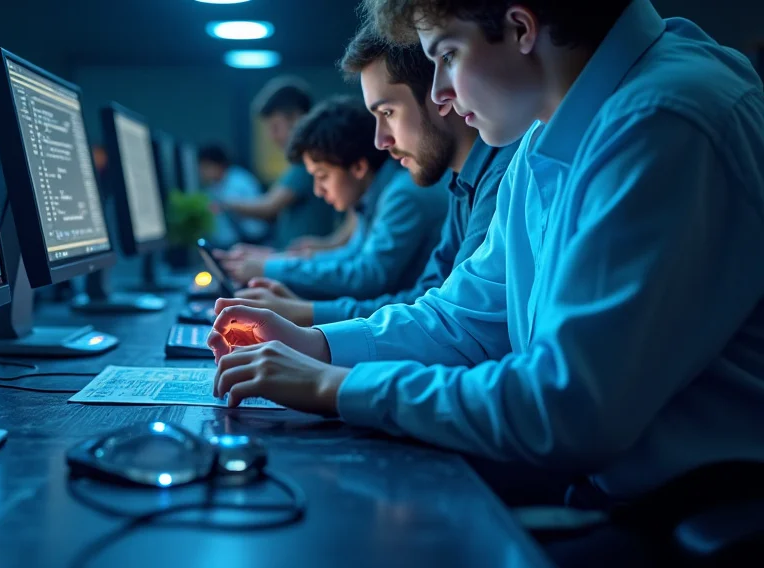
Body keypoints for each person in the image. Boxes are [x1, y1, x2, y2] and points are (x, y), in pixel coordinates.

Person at [209, 0, 764, 512]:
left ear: (522, 28)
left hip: (688, 512)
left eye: (448, 56)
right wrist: (317, 345)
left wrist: (332, 386)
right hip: (602, 482)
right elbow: (463, 319)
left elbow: (565, 407)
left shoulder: (664, 120)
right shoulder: (542, 138)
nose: (441, 94)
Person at [217, 27, 519, 326]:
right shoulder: (460, 185)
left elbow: (381, 282)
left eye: (387, 112)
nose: (380, 141)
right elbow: (429, 300)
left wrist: (305, 316)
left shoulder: (415, 191)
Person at [224, 95, 447, 299]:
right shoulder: (374, 195)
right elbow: (351, 256)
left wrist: (269, 267)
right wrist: (274, 260)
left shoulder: (402, 195)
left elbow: (366, 276)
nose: (318, 190)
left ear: (358, 167)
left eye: (323, 177)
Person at [216, 77, 339, 250]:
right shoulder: (301, 162)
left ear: (296, 119)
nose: (272, 137)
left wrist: (223, 203)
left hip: (304, 262)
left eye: (275, 127)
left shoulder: (307, 162)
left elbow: (269, 206)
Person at [197, 144, 268, 248]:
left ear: (218, 165)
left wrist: (225, 205)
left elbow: (258, 212)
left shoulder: (240, 181)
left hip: (252, 242)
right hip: (230, 244)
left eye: (205, 167)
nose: (202, 172)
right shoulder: (213, 187)